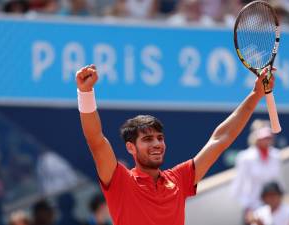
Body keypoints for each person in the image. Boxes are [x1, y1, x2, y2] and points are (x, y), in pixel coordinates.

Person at [75, 64, 276, 225]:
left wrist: (256, 94)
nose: (156, 144)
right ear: (130, 147)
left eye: (159, 138)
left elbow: (220, 139)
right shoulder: (120, 181)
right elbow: (96, 140)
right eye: (147, 139)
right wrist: (86, 93)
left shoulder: (179, 179)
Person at [230, 119, 283, 224]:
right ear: (256, 138)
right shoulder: (245, 158)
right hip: (252, 207)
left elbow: (279, 182)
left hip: (272, 208)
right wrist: (247, 208)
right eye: (263, 138)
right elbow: (238, 185)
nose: (266, 141)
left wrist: (280, 204)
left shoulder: (276, 156)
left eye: (268, 137)